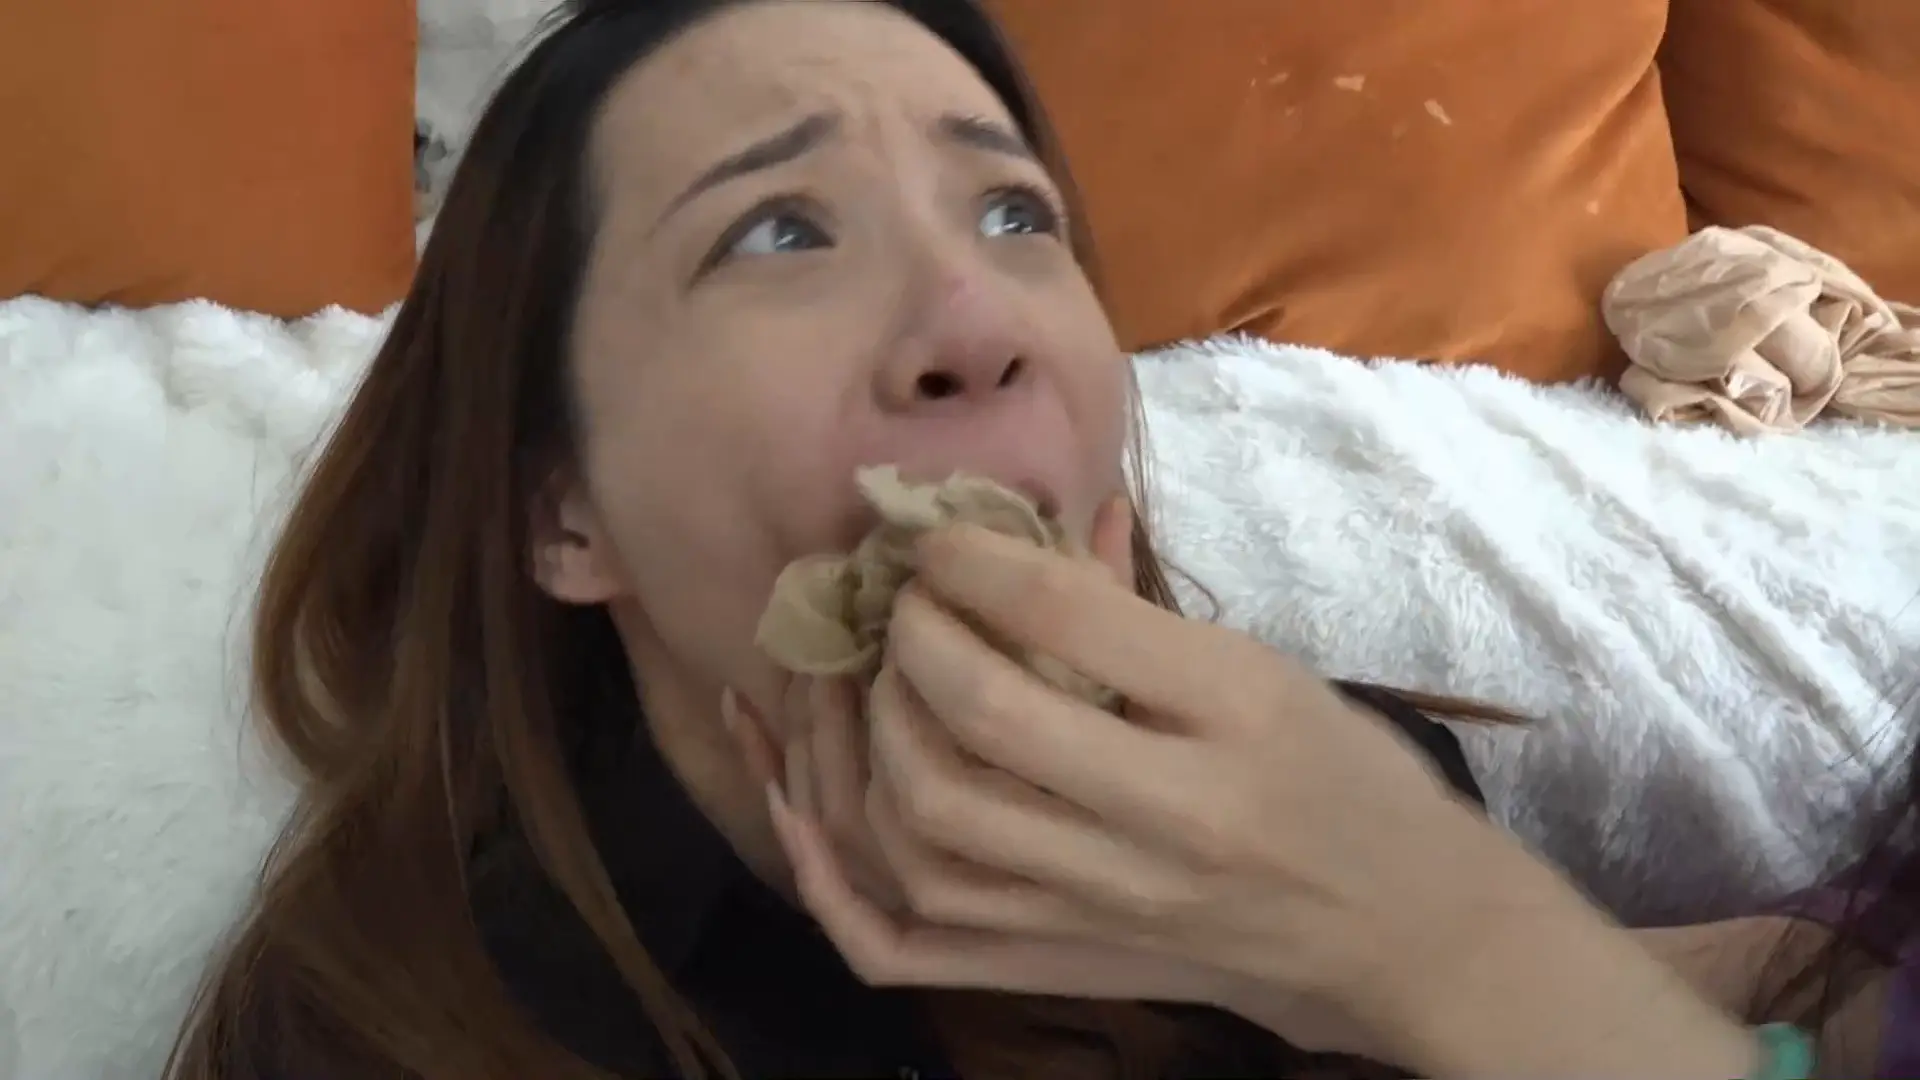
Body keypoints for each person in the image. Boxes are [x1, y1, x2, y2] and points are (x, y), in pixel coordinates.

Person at [163, 1, 1906, 1077]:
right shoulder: (391, 1026)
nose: (976, 319)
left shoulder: (1355, 819)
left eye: (1015, 212)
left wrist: (1444, 959)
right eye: (778, 231)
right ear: (558, 507)